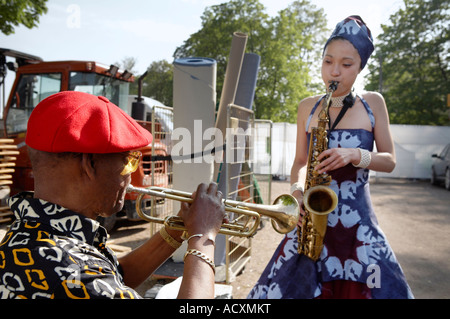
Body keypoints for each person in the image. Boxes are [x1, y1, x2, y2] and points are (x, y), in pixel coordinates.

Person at [248, 16, 413, 299]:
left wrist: (355, 154)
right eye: (328, 61)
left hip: (358, 225)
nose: (334, 72)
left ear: (360, 66)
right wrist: (297, 193)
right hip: (311, 220)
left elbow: (389, 160)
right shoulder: (307, 107)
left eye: (346, 64)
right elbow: (301, 162)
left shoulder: (373, 103)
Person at [0, 91, 225, 299]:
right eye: (128, 161)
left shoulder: (23, 234)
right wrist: (203, 236)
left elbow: (113, 275)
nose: (132, 173)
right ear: (89, 164)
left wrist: (177, 230)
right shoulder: (78, 273)